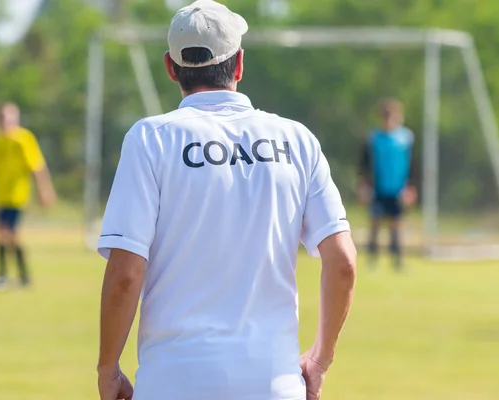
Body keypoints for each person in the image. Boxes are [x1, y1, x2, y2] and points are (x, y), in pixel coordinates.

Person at [96, 2, 357, 400]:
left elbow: (126, 274)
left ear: (170, 68)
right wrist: (319, 360)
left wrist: (107, 367)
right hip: (274, 385)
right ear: (238, 65)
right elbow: (342, 263)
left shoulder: (151, 138)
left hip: (172, 382)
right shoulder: (297, 139)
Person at [0, 102, 56, 290]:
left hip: (18, 197)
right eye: (2, 118)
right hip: (1, 196)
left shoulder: (24, 139)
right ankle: (18, 277)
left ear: (16, 119)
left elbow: (37, 167)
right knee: (3, 235)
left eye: (10, 118)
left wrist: (44, 191)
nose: (6, 122)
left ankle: (7, 276)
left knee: (7, 234)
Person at [358, 98, 417, 270]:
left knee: (395, 224)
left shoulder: (406, 138)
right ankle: (372, 260)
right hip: (378, 189)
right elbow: (364, 164)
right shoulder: (374, 138)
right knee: (375, 223)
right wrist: (363, 185)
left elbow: (413, 165)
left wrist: (411, 187)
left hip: (398, 189)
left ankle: (397, 261)